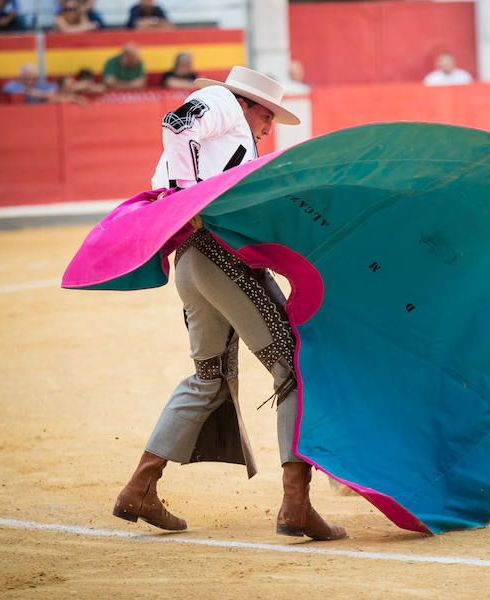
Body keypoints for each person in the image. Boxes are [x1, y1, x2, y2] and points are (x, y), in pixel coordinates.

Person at [115, 66, 347, 542]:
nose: (269, 126)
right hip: (220, 258)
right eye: (269, 115)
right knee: (295, 366)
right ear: (249, 102)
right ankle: (296, 504)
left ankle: (139, 487)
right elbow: (176, 123)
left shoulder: (229, 135)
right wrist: (186, 195)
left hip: (191, 262)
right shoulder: (224, 103)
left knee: (209, 377)